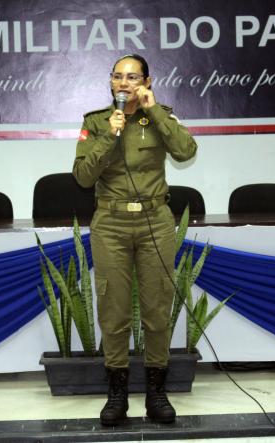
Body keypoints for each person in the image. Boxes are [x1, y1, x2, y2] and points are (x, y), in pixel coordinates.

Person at [72, 54, 198, 426]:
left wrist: (154, 110)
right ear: (110, 82)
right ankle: (117, 395)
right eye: (118, 77)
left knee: (158, 309)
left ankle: (157, 393)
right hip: (110, 223)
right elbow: (81, 176)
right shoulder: (95, 122)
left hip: (155, 222)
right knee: (114, 313)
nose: (124, 83)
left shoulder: (158, 116)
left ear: (146, 81)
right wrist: (109, 135)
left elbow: (186, 151)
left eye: (132, 77)